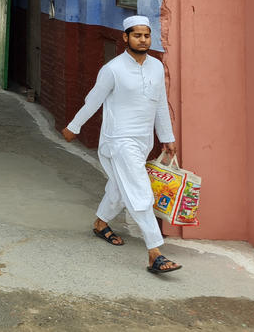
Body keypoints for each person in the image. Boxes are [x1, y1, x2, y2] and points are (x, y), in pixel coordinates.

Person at [61, 15, 182, 275]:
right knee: (139, 192)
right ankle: (155, 253)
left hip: (143, 140)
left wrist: (167, 136)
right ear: (125, 38)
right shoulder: (113, 69)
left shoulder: (156, 67)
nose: (143, 40)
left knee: (119, 186)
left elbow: (160, 104)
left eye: (146, 35)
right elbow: (93, 100)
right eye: (137, 35)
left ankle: (100, 223)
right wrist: (74, 126)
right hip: (118, 140)